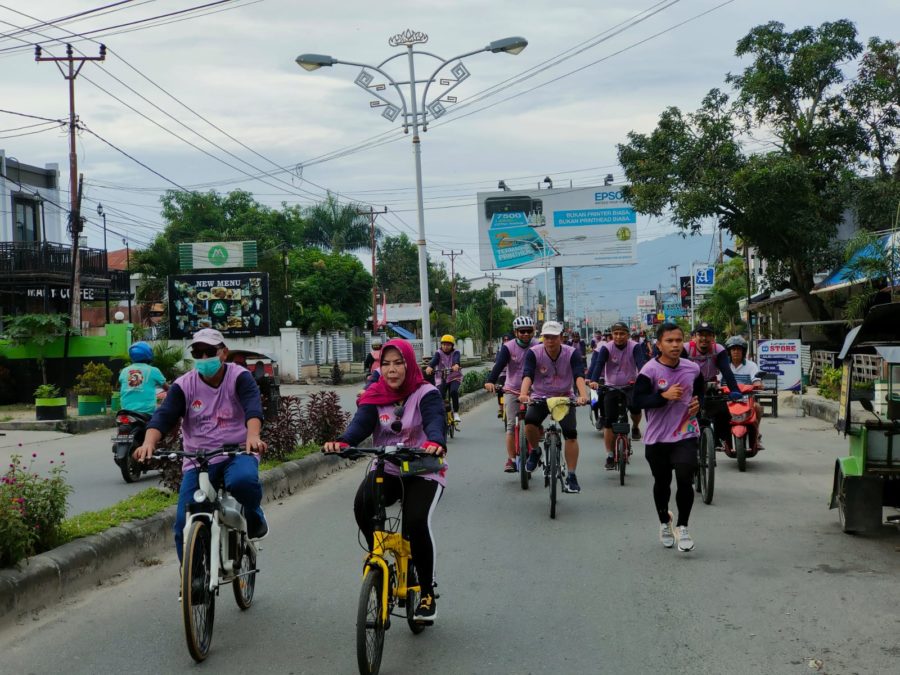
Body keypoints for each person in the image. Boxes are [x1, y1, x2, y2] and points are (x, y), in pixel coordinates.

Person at [323, 339, 446, 623]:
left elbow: (434, 420)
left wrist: (436, 441)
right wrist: (343, 442)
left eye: (398, 363)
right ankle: (376, 553)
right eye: (386, 364)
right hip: (389, 467)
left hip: (423, 469)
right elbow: (361, 424)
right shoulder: (374, 394)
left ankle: (426, 592)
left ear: (409, 364)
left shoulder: (425, 392)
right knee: (362, 504)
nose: (392, 370)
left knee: (416, 523)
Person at [134, 328, 268, 562]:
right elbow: (164, 416)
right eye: (198, 353)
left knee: (242, 482)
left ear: (223, 353)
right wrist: (148, 443)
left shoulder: (239, 377)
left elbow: (252, 406)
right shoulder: (184, 385)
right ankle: (194, 583)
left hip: (237, 451)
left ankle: (255, 514)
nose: (204, 358)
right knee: (181, 525)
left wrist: (253, 436)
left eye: (209, 352)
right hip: (198, 459)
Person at [633, 322, 705, 552]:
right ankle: (665, 522)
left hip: (685, 433)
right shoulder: (649, 370)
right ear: (659, 344)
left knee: (685, 478)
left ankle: (683, 527)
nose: (675, 345)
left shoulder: (692, 368)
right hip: (657, 439)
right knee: (662, 483)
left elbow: (701, 390)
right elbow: (636, 401)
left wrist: (698, 403)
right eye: (669, 341)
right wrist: (663, 396)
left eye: (678, 340)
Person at [519, 321, 589, 494]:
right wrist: (524, 394)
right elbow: (527, 374)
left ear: (561, 337)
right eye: (547, 337)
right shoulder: (534, 353)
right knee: (529, 422)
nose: (550, 341)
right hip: (540, 396)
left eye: (554, 337)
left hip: (564, 397)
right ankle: (535, 451)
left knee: (570, 434)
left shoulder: (571, 353)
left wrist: (583, 395)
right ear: (542, 337)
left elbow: (578, 374)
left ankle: (571, 476)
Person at [587, 321, 647, 469]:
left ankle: (635, 426)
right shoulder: (606, 348)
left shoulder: (635, 347)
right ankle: (609, 455)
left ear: (627, 335)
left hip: (630, 385)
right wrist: (594, 380)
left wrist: (644, 378)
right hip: (611, 386)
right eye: (616, 334)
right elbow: (599, 364)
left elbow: (641, 364)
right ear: (612, 335)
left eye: (622, 333)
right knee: (609, 421)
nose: (619, 337)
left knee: (635, 408)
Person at [485, 316, 539, 473]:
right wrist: (490, 381)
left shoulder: (538, 346)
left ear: (533, 331)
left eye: (529, 331)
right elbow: (499, 365)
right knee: (510, 426)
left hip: (534, 390)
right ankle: (512, 459)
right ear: (516, 332)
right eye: (522, 331)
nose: (525, 334)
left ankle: (535, 442)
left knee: (535, 421)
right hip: (512, 388)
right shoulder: (508, 347)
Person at [687, 322, 742, 448]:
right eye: (700, 334)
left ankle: (719, 441)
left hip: (710, 386)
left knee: (723, 412)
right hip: (691, 386)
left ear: (713, 338)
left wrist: (734, 389)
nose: (704, 338)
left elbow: (726, 371)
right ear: (694, 336)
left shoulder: (719, 350)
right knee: (690, 413)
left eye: (708, 335)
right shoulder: (686, 349)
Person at [723, 335, 764, 449]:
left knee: (758, 408)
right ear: (729, 351)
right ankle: (718, 437)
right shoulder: (724, 365)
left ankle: (756, 434)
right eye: (733, 349)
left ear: (743, 351)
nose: (736, 352)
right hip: (727, 399)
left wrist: (758, 384)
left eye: (739, 349)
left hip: (746, 399)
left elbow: (756, 380)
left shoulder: (751, 365)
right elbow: (717, 379)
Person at [118, 341, 169, 415]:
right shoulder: (153, 370)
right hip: (147, 412)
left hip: (125, 411)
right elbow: (167, 389)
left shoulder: (124, 371)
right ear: (148, 354)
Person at [425, 335, 463, 423]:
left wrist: (456, 365)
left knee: (453, 391)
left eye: (448, 345)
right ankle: (441, 413)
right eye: (444, 345)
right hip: (441, 377)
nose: (446, 347)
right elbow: (435, 360)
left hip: (454, 377)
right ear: (441, 345)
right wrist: (430, 367)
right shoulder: (438, 352)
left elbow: (456, 359)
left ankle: (456, 412)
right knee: (440, 395)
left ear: (452, 346)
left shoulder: (456, 352)